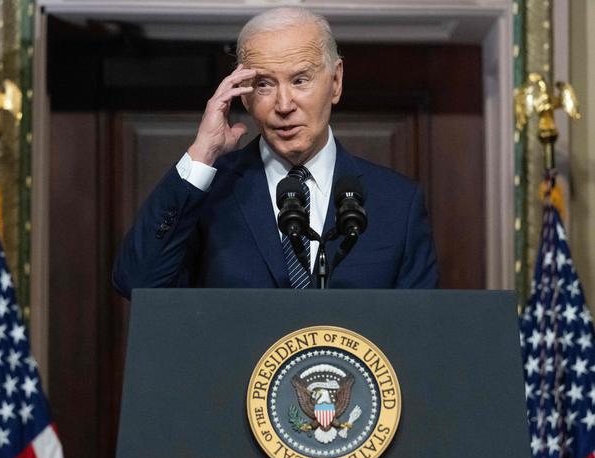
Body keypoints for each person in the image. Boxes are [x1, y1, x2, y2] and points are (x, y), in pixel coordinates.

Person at [113, 7, 438, 298]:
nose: (284, 105)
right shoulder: (210, 193)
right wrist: (202, 153)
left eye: (300, 80)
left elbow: (421, 335)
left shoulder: (398, 203)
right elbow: (138, 283)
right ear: (243, 94)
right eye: (264, 84)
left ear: (336, 81)